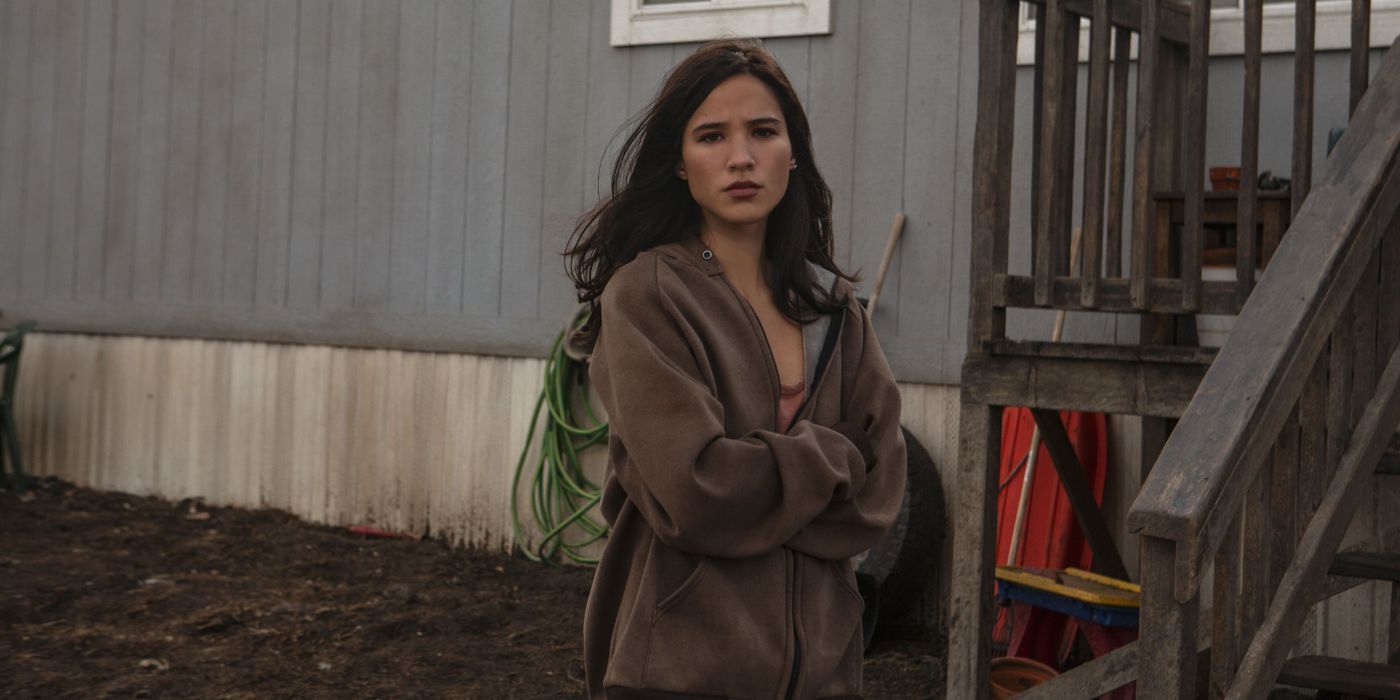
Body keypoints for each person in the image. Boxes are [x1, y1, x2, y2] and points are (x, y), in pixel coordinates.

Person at [565, 40, 906, 700]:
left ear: (793, 152)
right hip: (680, 670)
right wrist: (833, 458)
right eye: (712, 136)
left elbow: (878, 497)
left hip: (824, 673)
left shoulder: (835, 308)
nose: (741, 157)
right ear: (681, 164)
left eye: (763, 132)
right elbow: (696, 494)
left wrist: (754, 500)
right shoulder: (648, 296)